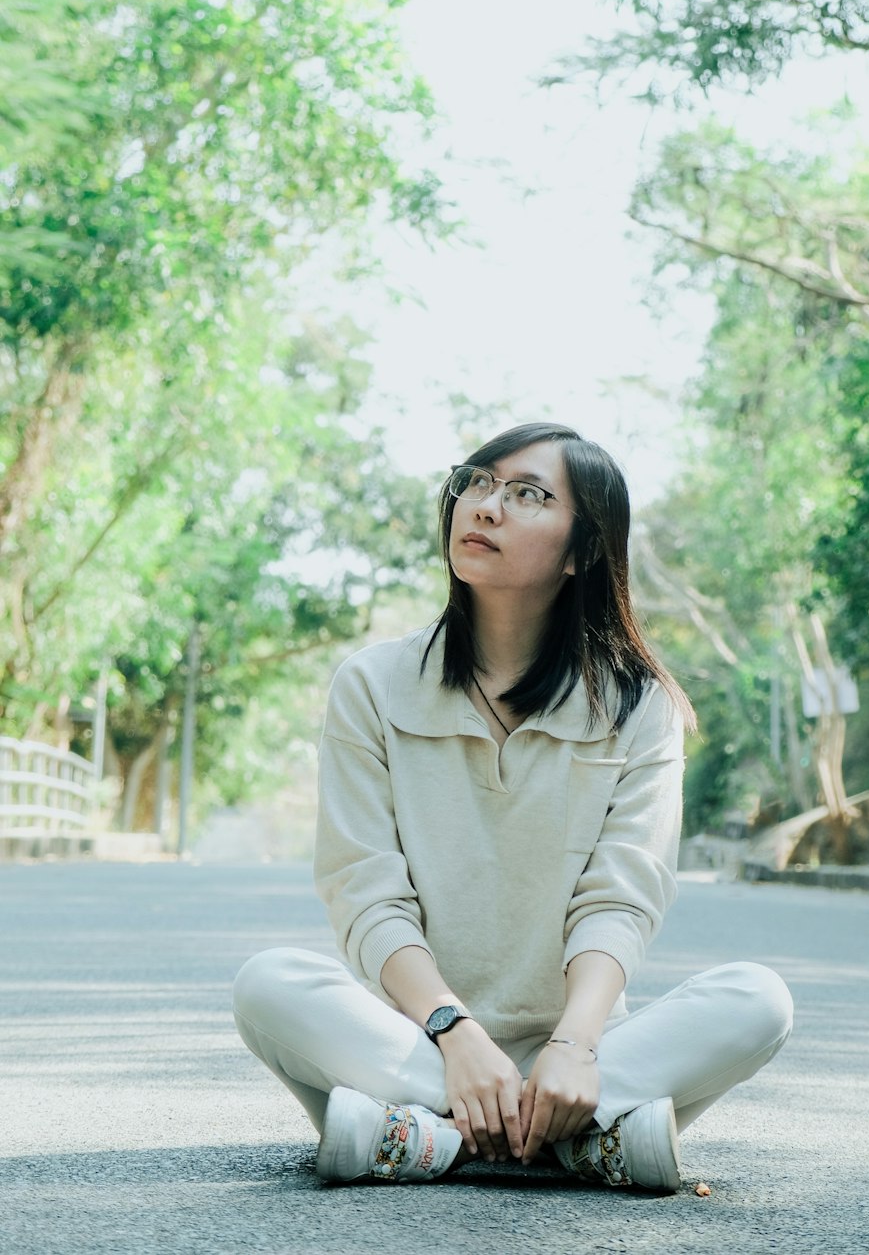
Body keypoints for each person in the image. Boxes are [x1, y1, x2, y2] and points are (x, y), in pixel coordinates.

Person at [233, 421, 793, 1191]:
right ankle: (576, 1145)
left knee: (759, 1000)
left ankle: (417, 1137)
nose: (486, 506)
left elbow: (621, 897)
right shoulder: (372, 684)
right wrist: (453, 1033)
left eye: (528, 494)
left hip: (579, 1054)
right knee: (268, 983)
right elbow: (367, 895)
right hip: (418, 1042)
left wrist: (577, 1045)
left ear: (581, 551)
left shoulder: (638, 706)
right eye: (477, 482)